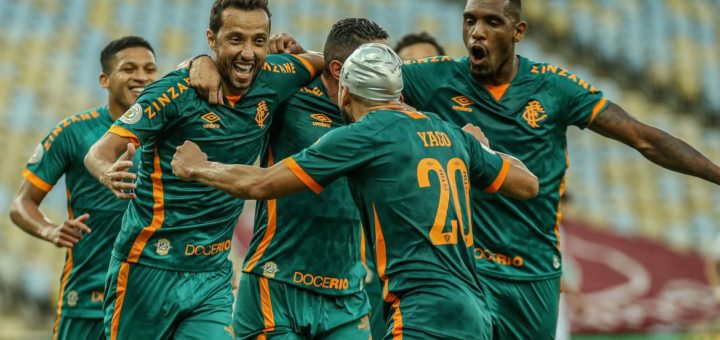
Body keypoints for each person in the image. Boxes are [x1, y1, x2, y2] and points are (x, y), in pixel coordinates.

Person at [397, 0, 720, 338]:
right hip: (463, 267)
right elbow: (354, 86)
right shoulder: (436, 77)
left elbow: (643, 137)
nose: (477, 32)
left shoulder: (554, 88)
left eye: (492, 22)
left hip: (533, 274)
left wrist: (716, 173)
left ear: (518, 31)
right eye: (470, 21)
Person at [172, 43, 539, 340]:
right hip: (475, 314)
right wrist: (485, 150)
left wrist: (197, 167)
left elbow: (261, 183)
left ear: (345, 91)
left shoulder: (364, 135)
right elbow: (527, 183)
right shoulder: (451, 132)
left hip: (420, 315)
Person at [83, 0, 322, 338]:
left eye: (258, 40)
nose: (249, 54)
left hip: (213, 276)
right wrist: (108, 172)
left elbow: (335, 63)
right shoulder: (173, 92)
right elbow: (98, 152)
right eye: (235, 39)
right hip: (148, 267)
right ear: (212, 39)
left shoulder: (276, 76)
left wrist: (297, 48)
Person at [231, 18, 388, 339]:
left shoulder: (388, 112)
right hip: (276, 285)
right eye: (374, 65)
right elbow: (231, 74)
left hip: (347, 293)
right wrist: (199, 64)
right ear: (336, 70)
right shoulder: (290, 94)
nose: (388, 73)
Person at [9, 36, 158, 340]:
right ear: (104, 79)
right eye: (129, 68)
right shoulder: (73, 131)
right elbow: (21, 204)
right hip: (86, 298)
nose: (141, 76)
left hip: (148, 299)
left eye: (149, 69)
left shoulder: (168, 133)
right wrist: (49, 230)